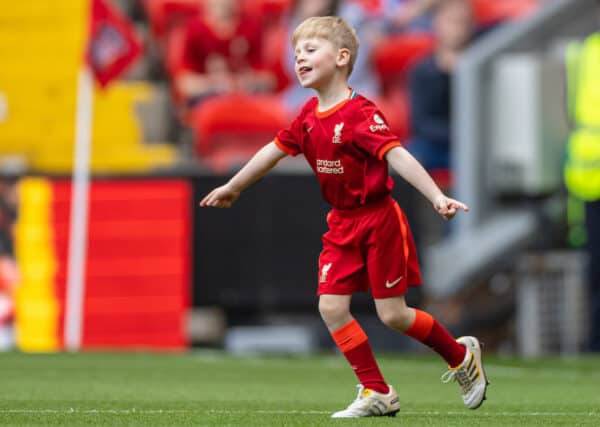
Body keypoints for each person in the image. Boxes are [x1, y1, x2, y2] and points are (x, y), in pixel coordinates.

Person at [200, 16, 488, 417]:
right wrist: (234, 186)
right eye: (296, 51)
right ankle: (377, 391)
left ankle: (461, 356)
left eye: (310, 49)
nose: (300, 56)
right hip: (341, 222)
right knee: (332, 307)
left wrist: (437, 196)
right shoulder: (306, 115)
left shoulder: (360, 113)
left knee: (394, 315)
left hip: (378, 219)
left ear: (341, 57)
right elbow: (273, 150)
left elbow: (397, 154)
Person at [564, 8, 600, 351]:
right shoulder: (587, 49)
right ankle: (594, 344)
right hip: (588, 178)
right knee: (595, 271)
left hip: (588, 174)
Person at [407, 0, 474, 172]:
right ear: (437, 24)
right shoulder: (421, 70)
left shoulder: (478, 68)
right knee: (404, 159)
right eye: (452, 21)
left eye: (463, 22)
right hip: (433, 145)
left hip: (470, 146)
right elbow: (420, 123)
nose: (458, 29)